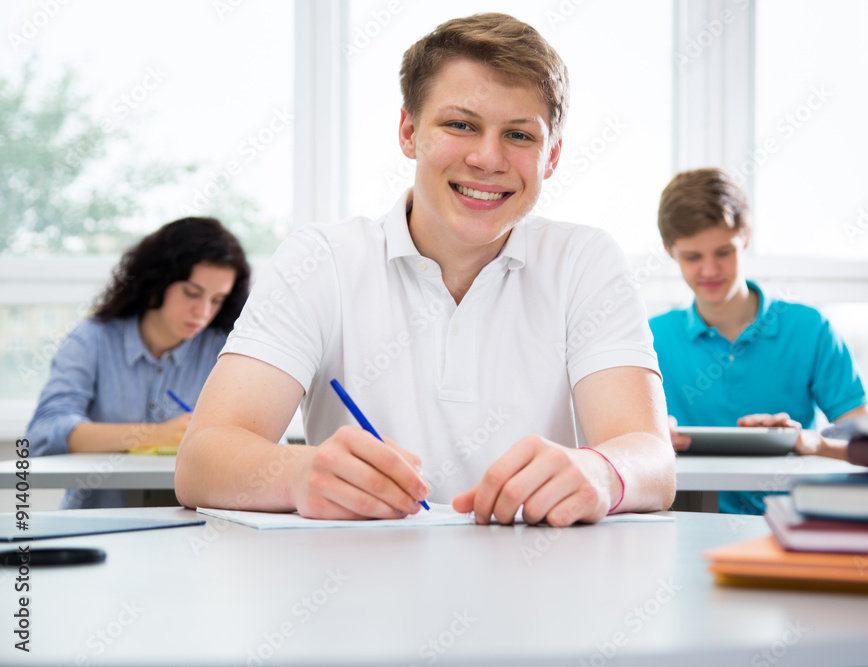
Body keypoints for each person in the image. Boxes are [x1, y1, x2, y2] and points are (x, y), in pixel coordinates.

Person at [175, 13, 676, 526]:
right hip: (359, 589)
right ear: (409, 132)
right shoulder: (321, 259)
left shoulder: (584, 261)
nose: (488, 158)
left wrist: (602, 471)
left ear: (551, 156)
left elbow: (653, 463)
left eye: (520, 136)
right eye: (461, 125)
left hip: (537, 586)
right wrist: (298, 473)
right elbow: (200, 462)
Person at [648, 168, 868, 515]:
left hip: (794, 527)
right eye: (693, 257)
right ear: (669, 250)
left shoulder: (810, 329)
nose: (709, 270)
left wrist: (807, 442)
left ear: (746, 237)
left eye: (723, 252)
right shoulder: (651, 339)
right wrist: (649, 437)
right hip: (684, 526)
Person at [27, 217, 250, 509]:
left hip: (191, 535)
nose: (203, 311)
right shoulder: (91, 340)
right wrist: (154, 435)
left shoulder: (226, 351)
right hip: (94, 525)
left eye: (217, 300)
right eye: (192, 293)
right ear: (158, 281)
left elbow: (264, 444)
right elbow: (44, 431)